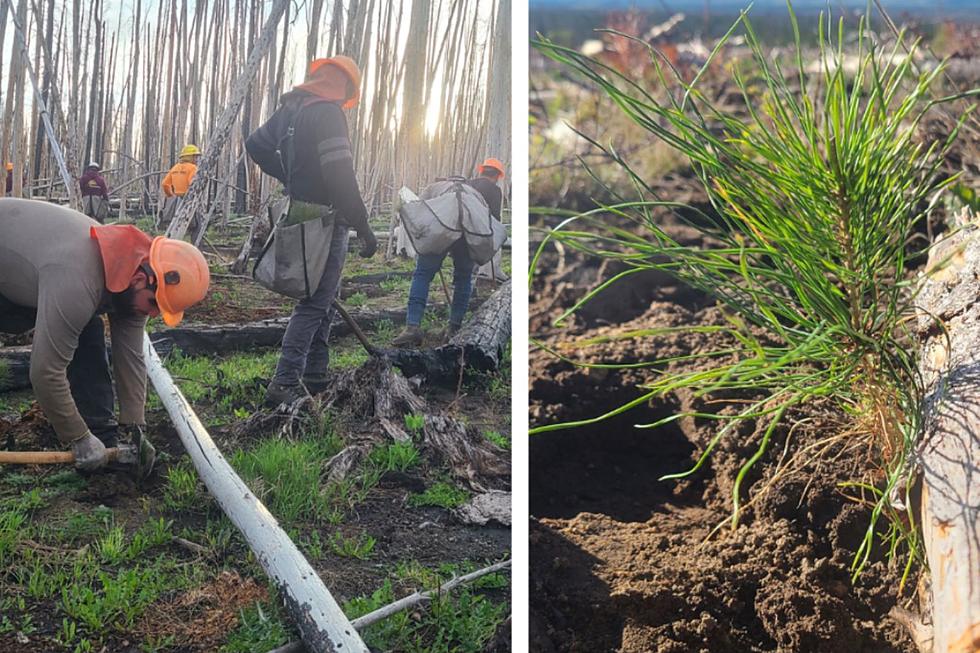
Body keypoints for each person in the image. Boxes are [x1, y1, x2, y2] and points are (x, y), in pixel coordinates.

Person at [0, 198, 210, 471]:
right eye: (154, 304)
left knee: (89, 328)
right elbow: (45, 372)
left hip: (19, 278)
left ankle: (103, 434)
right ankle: (89, 439)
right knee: (81, 320)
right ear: (141, 279)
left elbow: (131, 358)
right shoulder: (77, 277)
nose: (153, 314)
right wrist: (78, 438)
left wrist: (134, 428)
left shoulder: (132, 268)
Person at [246, 55, 377, 405]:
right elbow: (340, 176)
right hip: (324, 218)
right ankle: (285, 382)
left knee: (321, 297)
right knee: (315, 302)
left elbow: (255, 145)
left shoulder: (292, 108)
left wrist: (290, 177)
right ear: (345, 87)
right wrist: (363, 226)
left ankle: (316, 372)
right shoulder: (329, 114)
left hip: (299, 211)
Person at [391, 157, 505, 347]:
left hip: (439, 232)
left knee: (423, 274)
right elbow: (492, 220)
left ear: (481, 171)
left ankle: (412, 327)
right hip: (468, 234)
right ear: (498, 176)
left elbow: (420, 212)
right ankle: (454, 327)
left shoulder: (439, 187)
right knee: (463, 277)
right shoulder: (481, 192)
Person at [159, 144, 201, 227]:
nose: (196, 159)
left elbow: (165, 184)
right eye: (195, 156)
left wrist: (170, 195)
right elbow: (192, 184)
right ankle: (195, 240)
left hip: (177, 200)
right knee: (197, 225)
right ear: (190, 157)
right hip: (189, 199)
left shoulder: (175, 167)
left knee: (176, 224)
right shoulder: (193, 168)